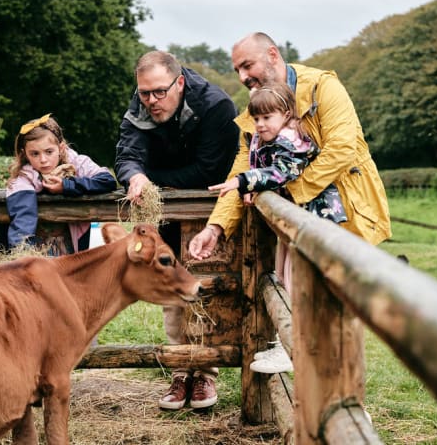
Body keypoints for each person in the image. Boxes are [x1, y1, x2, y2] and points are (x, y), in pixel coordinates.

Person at [189, 31, 391, 372]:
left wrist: (292, 192)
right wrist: (217, 225)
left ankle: (347, 413)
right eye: (237, 69)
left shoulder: (323, 87)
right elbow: (244, 168)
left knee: (332, 308)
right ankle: (305, 376)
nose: (242, 77)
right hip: (297, 220)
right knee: (294, 286)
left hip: (341, 214)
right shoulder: (259, 111)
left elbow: (342, 148)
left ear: (272, 54)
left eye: (247, 65)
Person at [114, 50, 239, 410]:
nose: (151, 101)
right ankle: (180, 368)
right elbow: (127, 151)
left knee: (204, 284)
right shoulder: (142, 100)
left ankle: (205, 372)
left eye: (158, 93)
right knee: (171, 285)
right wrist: (134, 175)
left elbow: (209, 171)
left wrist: (150, 179)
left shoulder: (217, 107)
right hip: (165, 210)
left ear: (179, 82)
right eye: (144, 93)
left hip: (208, 212)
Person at [209, 82, 347, 373]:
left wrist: (243, 182)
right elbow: (259, 163)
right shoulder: (265, 138)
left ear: (286, 115)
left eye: (266, 118)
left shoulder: (293, 141)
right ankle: (288, 342)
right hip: (291, 224)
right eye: (256, 118)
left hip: (311, 222)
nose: (259, 125)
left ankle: (297, 346)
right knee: (284, 278)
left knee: (301, 283)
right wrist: (253, 190)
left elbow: (281, 171)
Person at [1, 113, 117, 254]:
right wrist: (22, 256)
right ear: (24, 154)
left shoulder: (78, 163)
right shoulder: (23, 179)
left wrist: (68, 186)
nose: (43, 160)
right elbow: (22, 220)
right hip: (38, 253)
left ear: (61, 148)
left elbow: (107, 181)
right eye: (35, 154)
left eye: (49, 152)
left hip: (72, 249)